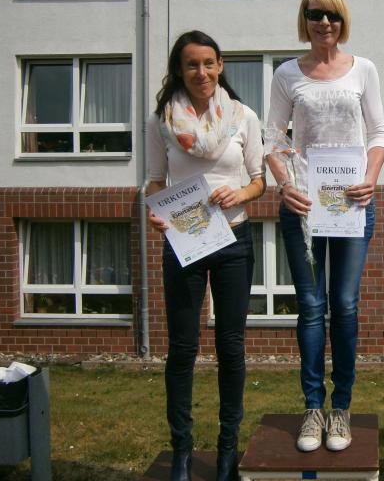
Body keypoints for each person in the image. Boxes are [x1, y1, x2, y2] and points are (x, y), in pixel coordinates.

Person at [265, 0, 384, 453]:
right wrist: (285, 185)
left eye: (332, 15)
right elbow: (273, 140)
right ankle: (313, 409)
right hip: (303, 206)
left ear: (343, 20)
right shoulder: (286, 74)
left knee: (346, 304)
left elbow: (379, 134)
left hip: (352, 204)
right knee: (312, 307)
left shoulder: (364, 69)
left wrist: (371, 179)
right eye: (315, 14)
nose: (324, 23)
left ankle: (342, 408)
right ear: (305, 19)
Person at [146, 30, 266, 481]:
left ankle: (227, 451)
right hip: (185, 241)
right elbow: (154, 180)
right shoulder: (162, 120)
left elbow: (259, 180)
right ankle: (181, 450)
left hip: (234, 241)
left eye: (209, 63)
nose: (202, 72)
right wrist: (154, 210)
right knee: (182, 348)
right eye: (192, 64)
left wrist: (240, 193)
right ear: (180, 70)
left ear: (221, 66)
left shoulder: (242, 116)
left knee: (231, 347)